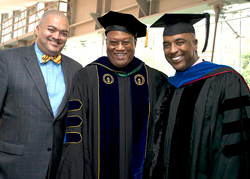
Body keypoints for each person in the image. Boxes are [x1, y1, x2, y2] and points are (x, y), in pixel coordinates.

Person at [56, 11, 168, 179]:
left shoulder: (153, 79)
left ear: (135, 43)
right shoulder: (87, 77)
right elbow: (74, 130)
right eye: (114, 42)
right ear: (106, 42)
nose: (120, 48)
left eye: (126, 42)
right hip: (95, 169)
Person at [143, 13, 250, 179]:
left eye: (180, 42)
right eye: (167, 45)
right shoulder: (168, 87)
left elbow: (235, 146)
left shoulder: (226, 81)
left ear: (194, 44)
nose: (173, 50)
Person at [0, 10, 82, 179]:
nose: (57, 36)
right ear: (37, 29)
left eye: (63, 33)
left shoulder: (76, 69)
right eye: (51, 29)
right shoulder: (8, 60)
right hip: (13, 165)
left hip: (56, 166)